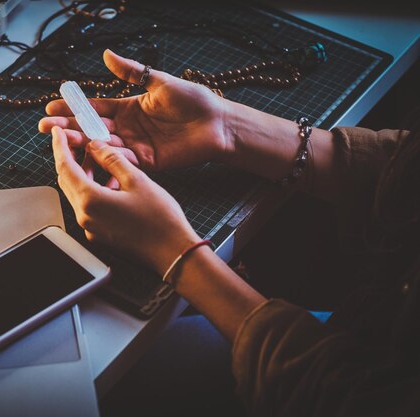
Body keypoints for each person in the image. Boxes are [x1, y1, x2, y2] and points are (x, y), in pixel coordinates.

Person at [38, 49, 420, 416]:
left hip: (338, 375)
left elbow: (349, 401)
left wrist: (173, 251)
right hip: (368, 328)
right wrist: (226, 126)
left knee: (78, 392)